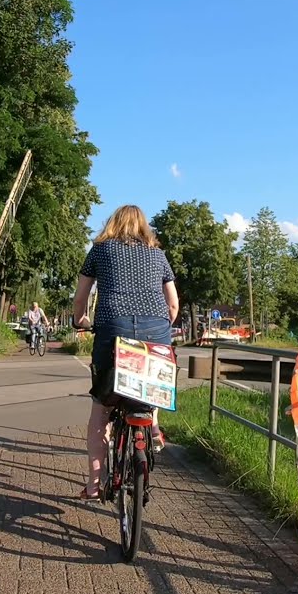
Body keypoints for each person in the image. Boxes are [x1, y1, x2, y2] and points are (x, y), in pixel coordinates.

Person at [72, 204, 179, 500]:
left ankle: (94, 484)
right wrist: (159, 329)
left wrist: (80, 320)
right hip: (156, 328)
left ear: (113, 223)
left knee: (101, 409)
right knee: (151, 381)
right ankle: (154, 426)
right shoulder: (158, 255)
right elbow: (173, 304)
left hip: (112, 329)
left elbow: (81, 298)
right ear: (145, 227)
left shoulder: (100, 250)